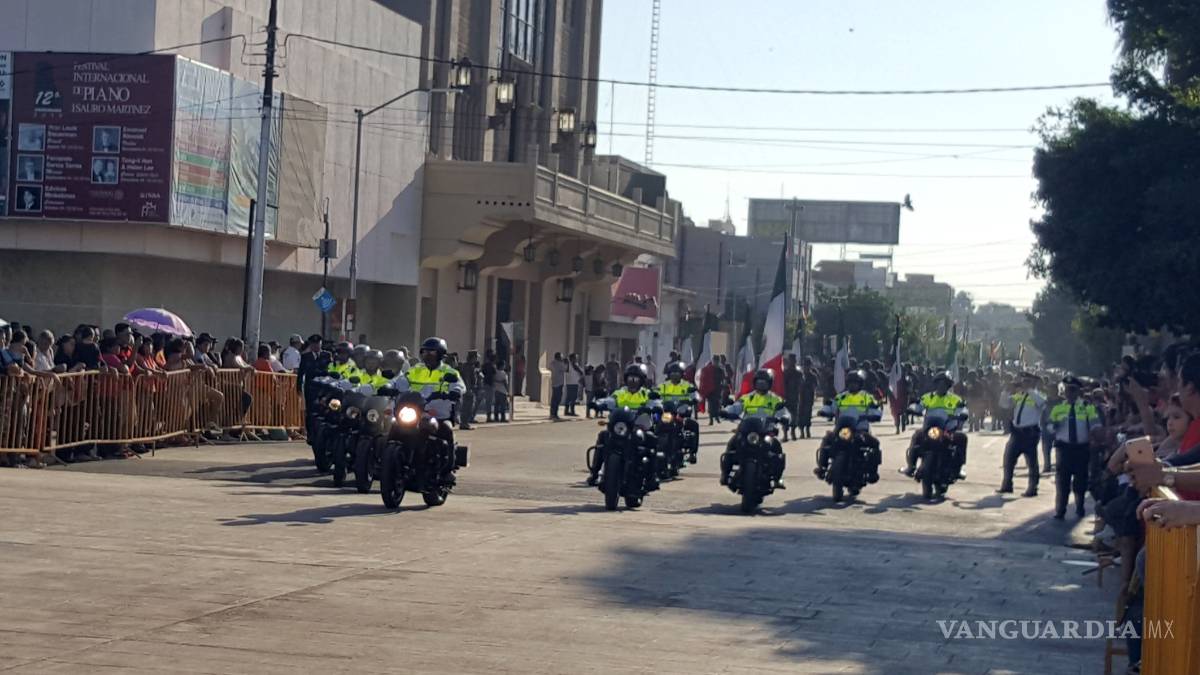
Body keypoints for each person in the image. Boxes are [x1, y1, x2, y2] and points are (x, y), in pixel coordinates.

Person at [587, 363, 658, 486]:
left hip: (639, 426)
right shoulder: (620, 392)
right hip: (622, 426)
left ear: (641, 380)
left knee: (651, 439)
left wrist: (655, 407)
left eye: (636, 379)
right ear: (626, 379)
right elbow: (610, 400)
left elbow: (656, 402)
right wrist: (598, 403)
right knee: (603, 437)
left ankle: (652, 477)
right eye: (630, 378)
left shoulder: (646, 393)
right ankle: (594, 473)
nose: (633, 382)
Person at [719, 368, 789, 488]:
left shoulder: (775, 399)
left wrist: (785, 418)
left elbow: (784, 412)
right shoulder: (747, 397)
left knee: (777, 449)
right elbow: (736, 407)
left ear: (769, 383)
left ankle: (778, 479)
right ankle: (725, 475)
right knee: (731, 446)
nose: (761, 385)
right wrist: (726, 411)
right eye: (759, 383)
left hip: (766, 432)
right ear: (755, 383)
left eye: (764, 383)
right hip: (747, 430)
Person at [1045, 376, 1103, 519]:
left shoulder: (1087, 407)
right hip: (1064, 448)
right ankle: (1060, 509)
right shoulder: (1058, 407)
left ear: (1078, 392)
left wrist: (1095, 434)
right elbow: (1049, 426)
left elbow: (1096, 425)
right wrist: (1054, 425)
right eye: (1067, 390)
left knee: (1080, 479)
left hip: (1081, 448)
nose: (1069, 393)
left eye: (1072, 390)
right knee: (1062, 481)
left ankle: (1079, 506)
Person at [814, 370, 882, 481]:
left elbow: (875, 409)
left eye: (855, 383)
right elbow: (831, 405)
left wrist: (875, 415)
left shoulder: (867, 397)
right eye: (850, 382)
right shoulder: (841, 397)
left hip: (860, 430)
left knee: (875, 443)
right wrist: (824, 411)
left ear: (860, 384)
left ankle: (872, 472)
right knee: (827, 439)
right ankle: (822, 467)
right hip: (843, 429)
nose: (853, 385)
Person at [900, 371, 968, 479]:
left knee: (962, 438)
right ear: (935, 384)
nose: (941, 386)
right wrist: (911, 409)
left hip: (948, 430)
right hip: (930, 429)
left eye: (944, 384)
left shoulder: (956, 399)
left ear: (948, 385)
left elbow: (963, 410)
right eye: (939, 383)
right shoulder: (928, 397)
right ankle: (911, 466)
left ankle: (958, 469)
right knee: (917, 436)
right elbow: (918, 406)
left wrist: (962, 414)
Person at [998, 371, 1046, 497]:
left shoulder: (1037, 395)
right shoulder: (1019, 395)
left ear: (1033, 383)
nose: (1024, 384)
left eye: (1027, 381)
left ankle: (1033, 487)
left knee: (1031, 461)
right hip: (1017, 432)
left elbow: (1042, 403)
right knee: (1009, 458)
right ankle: (1007, 484)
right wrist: (1006, 391)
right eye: (1023, 381)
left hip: (1030, 433)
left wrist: (1030, 390)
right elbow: (1004, 404)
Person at [458, 350, 480, 430]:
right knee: (467, 407)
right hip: (468, 389)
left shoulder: (471, 366)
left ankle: (465, 422)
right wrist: (468, 389)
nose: (477, 359)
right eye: (476, 357)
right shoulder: (467, 367)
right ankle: (464, 423)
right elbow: (467, 378)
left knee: (470, 406)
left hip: (471, 388)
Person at [782, 353, 802, 441]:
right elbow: (782, 384)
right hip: (786, 397)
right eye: (791, 360)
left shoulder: (798, 373)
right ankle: (785, 434)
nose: (792, 362)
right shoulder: (785, 373)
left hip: (795, 397)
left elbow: (801, 384)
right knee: (786, 416)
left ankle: (793, 432)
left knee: (794, 416)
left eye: (793, 360)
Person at [549, 352, 567, 420]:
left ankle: (552, 414)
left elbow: (550, 368)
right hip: (559, 383)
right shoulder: (559, 364)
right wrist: (565, 362)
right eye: (561, 357)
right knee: (557, 399)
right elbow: (566, 369)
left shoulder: (552, 363)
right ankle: (554, 414)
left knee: (554, 399)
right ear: (558, 357)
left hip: (554, 382)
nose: (562, 358)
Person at [480, 351, 498, 423]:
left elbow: (482, 373)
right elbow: (494, 376)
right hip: (490, 385)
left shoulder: (484, 365)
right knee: (489, 402)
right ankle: (489, 417)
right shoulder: (493, 367)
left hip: (484, 384)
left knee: (483, 401)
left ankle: (472, 415)